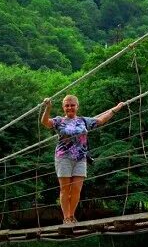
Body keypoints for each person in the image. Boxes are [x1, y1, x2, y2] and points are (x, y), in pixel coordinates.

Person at [40, 94, 126, 224]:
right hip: (63, 158)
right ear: (63, 107)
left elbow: (101, 120)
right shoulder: (59, 121)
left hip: (80, 158)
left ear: (77, 106)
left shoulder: (84, 121)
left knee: (76, 189)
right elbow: (45, 122)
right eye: (67, 105)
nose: (70, 108)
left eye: (72, 105)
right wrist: (48, 108)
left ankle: (71, 215)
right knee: (65, 189)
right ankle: (67, 217)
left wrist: (116, 109)